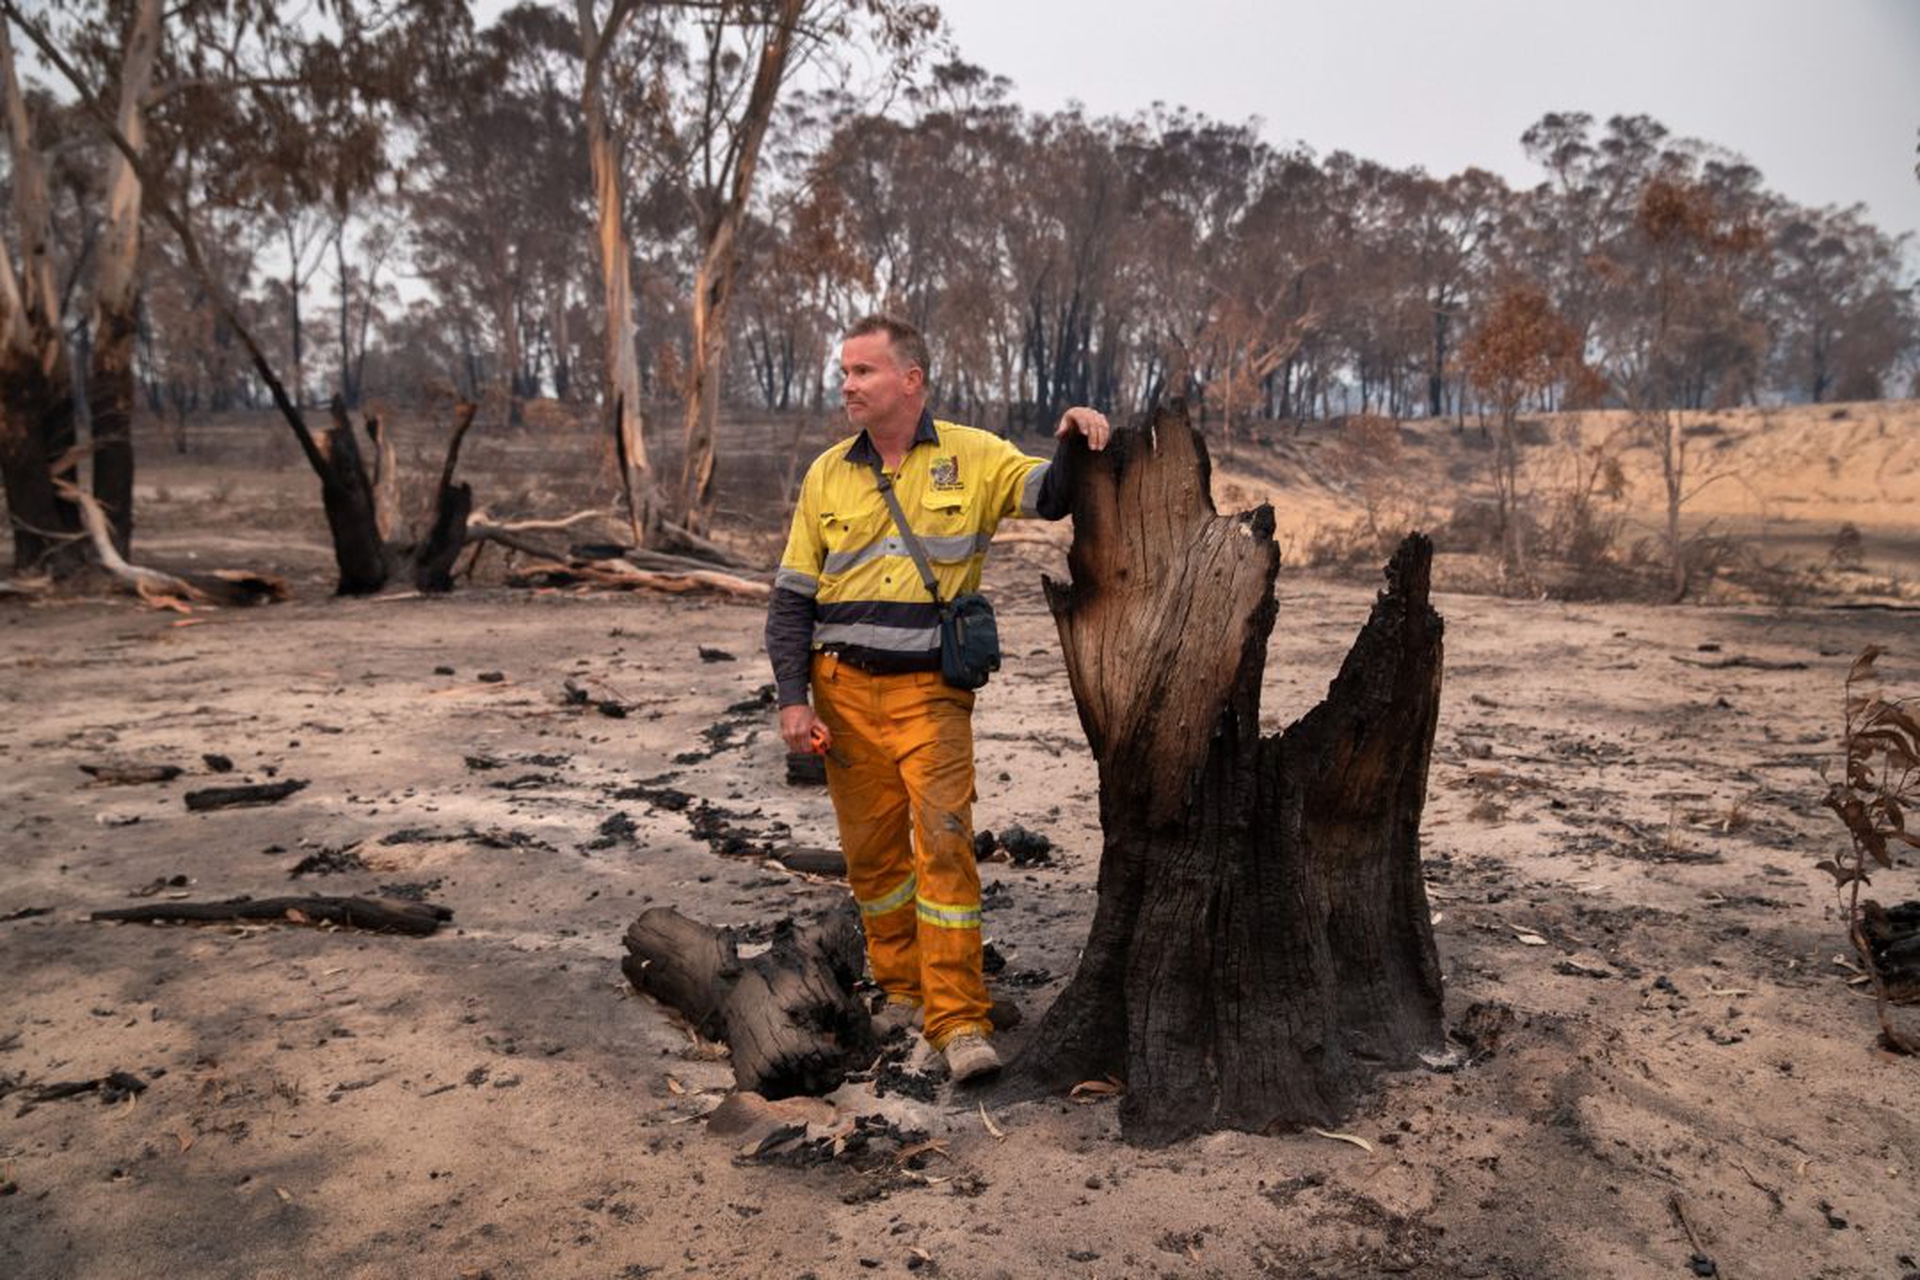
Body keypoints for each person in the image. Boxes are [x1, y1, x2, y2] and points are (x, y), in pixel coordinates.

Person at [764, 314, 1109, 1082]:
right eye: (844, 372)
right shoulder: (826, 474)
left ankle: (958, 1023)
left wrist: (1072, 435)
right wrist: (795, 699)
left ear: (910, 381)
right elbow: (791, 601)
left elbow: (1050, 495)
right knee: (875, 864)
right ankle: (900, 992)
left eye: (863, 372)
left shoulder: (974, 456)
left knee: (946, 848)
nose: (847, 385)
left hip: (931, 696)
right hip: (842, 694)